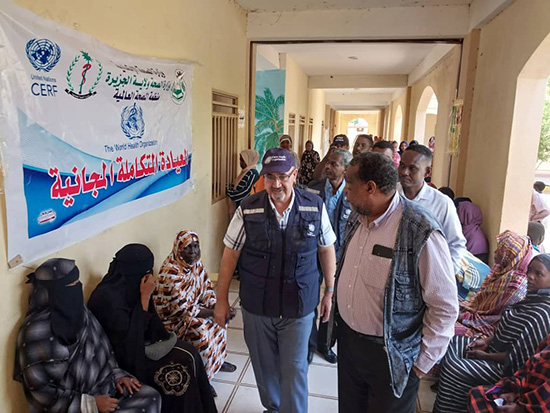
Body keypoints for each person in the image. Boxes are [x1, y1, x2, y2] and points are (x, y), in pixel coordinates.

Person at [329, 152, 458, 412]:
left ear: (370, 188)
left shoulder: (419, 230)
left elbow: (444, 306)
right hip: (351, 345)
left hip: (392, 356)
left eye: (350, 187)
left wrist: (420, 365)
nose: (345, 193)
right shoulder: (357, 215)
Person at [214, 147, 337, 413]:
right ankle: (273, 408)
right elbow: (229, 255)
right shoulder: (248, 208)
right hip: (257, 306)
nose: (276, 183)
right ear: (263, 178)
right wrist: (221, 299)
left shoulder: (313, 206)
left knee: (295, 368)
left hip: (299, 306)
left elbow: (327, 248)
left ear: (294, 176)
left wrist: (330, 290)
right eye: (270, 177)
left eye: (282, 176)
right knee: (264, 367)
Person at [14, 258, 161, 413]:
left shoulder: (79, 312)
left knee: (150, 397)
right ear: (54, 293)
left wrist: (117, 376)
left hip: (102, 388)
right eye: (71, 287)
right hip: (70, 406)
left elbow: (103, 352)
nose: (77, 289)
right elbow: (41, 392)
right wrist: (90, 404)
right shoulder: (35, 334)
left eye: (78, 283)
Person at [88, 244, 217, 412]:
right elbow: (128, 344)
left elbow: (151, 327)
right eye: (145, 272)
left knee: (191, 354)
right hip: (124, 359)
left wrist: (145, 298)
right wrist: (145, 296)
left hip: (142, 345)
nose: (149, 276)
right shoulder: (106, 299)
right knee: (179, 372)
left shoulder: (130, 286)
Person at [434, 254, 550, 413]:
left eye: (538, 274)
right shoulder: (530, 299)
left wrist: (485, 356)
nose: (530, 276)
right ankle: (451, 400)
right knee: (453, 343)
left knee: (455, 368)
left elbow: (519, 357)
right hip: (494, 349)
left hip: (506, 367)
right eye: (529, 270)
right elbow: (510, 330)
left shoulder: (542, 313)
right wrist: (487, 342)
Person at [154, 231, 234, 383]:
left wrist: (215, 305)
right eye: (187, 247)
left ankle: (217, 362)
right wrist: (214, 311)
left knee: (220, 321)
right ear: (178, 249)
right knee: (200, 331)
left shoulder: (196, 264)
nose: (193, 251)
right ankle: (203, 380)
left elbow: (207, 289)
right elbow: (184, 311)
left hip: (194, 310)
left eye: (196, 246)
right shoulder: (170, 273)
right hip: (174, 321)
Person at [306, 148, 352, 364]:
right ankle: (309, 342)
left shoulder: (353, 194)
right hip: (314, 253)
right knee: (310, 297)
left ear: (346, 169)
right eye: (328, 163)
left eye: (334, 164)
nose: (328, 167)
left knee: (332, 300)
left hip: (341, 256)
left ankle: (325, 344)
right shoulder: (313, 190)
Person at [398, 144, 467, 274]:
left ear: (427, 172)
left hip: (425, 276)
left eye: (412, 168)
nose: (404, 172)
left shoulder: (442, 203)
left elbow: (456, 244)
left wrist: (443, 276)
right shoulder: (390, 194)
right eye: (402, 165)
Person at [455, 230, 533, 338]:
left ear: (509, 254)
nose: (495, 252)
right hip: (476, 315)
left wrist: (463, 316)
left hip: (489, 330)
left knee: (444, 329)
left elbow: (496, 319)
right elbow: (479, 301)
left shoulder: (516, 284)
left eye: (500, 250)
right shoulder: (500, 270)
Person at [468, 332, 550, 413]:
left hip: (534, 406)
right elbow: (531, 367)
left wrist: (520, 408)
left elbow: (515, 357)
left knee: (459, 371)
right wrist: (515, 393)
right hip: (523, 390)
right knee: (477, 394)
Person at [226, 149, 260, 214]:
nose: (240, 163)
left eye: (242, 160)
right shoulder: (244, 172)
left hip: (247, 208)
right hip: (240, 207)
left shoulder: (253, 173)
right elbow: (236, 186)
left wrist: (230, 193)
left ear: (249, 160)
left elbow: (246, 191)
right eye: (240, 160)